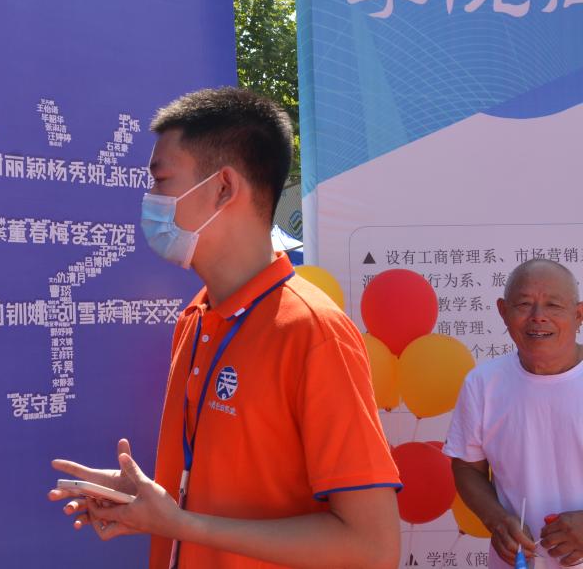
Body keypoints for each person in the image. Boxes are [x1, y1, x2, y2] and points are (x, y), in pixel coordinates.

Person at [49, 87, 401, 568]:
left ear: (223, 188)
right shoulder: (195, 317)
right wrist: (148, 504)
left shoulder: (313, 331)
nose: (150, 200)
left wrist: (182, 524)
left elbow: (372, 548)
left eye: (161, 180)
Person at [444, 258, 583, 568]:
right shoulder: (483, 383)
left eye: (553, 305)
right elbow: (467, 467)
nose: (538, 317)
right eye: (524, 304)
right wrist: (497, 519)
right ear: (503, 311)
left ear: (578, 315)